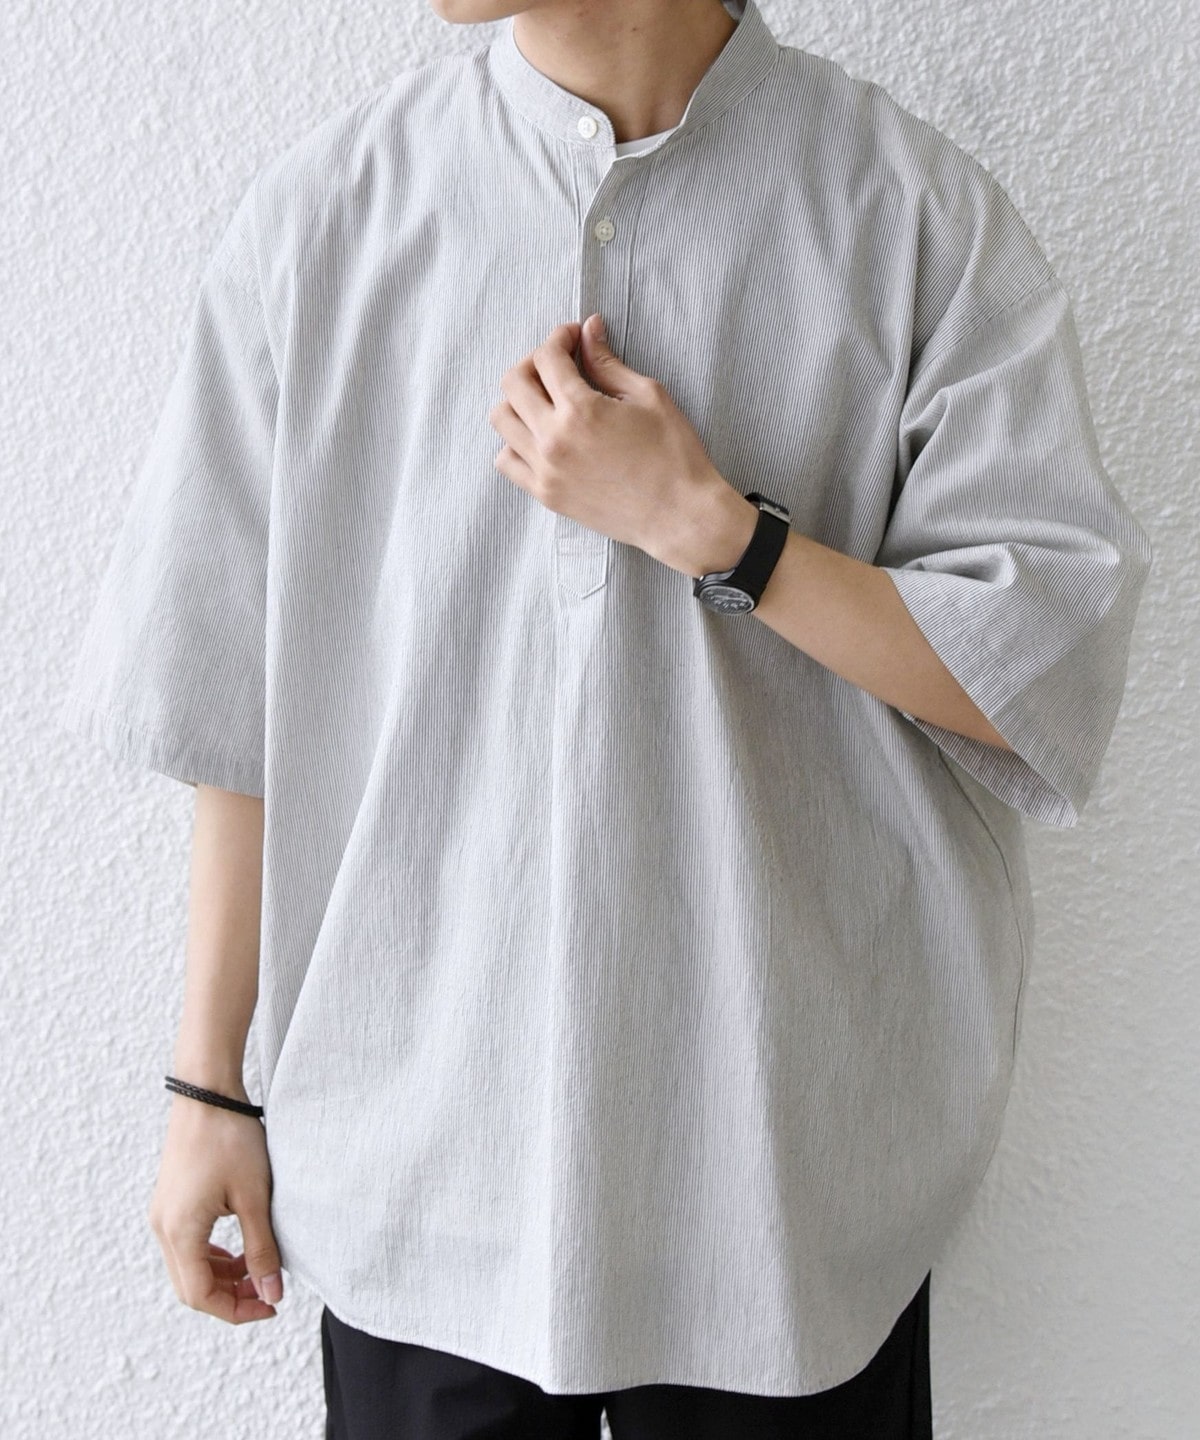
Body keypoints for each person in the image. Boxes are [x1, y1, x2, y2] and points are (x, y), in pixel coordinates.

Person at [57, 0, 1153, 1435]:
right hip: (422, 1170)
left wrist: (723, 534)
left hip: (783, 1180)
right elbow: (235, 699)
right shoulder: (328, 217)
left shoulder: (909, 216)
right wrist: (210, 1087)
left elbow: (1040, 676)